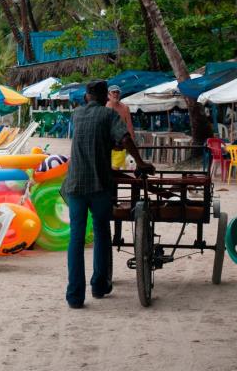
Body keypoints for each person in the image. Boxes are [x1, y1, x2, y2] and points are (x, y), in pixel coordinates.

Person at [62, 80, 154, 308]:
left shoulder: (77, 115)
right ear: (106, 98)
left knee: (76, 238)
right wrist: (140, 163)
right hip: (99, 185)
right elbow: (124, 139)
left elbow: (93, 139)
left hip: (74, 184)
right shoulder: (107, 115)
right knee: (102, 232)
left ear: (86, 97)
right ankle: (99, 285)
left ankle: (74, 296)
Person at [106, 84, 134, 169]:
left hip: (120, 143)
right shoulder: (104, 107)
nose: (116, 94)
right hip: (106, 144)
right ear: (108, 95)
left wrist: (132, 143)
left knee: (115, 169)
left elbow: (129, 126)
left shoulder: (125, 108)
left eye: (117, 92)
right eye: (113, 92)